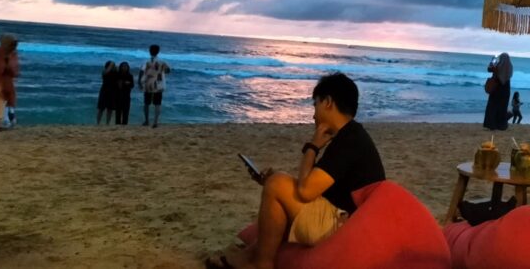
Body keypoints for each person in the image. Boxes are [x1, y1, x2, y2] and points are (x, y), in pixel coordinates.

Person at [206, 73, 385, 269]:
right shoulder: (350, 136)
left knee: (278, 182)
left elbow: (305, 191)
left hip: (344, 227)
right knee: (277, 182)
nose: (314, 114)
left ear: (328, 102)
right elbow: (313, 185)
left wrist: (312, 147)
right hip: (342, 218)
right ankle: (250, 256)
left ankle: (261, 264)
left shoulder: (350, 140)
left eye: (315, 104)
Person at [139, 44, 171, 128]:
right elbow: (168, 70)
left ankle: (146, 121)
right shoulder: (162, 61)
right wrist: (160, 72)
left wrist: (139, 82)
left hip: (148, 84)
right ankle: (155, 122)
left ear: (150, 51)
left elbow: (141, 72)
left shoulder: (146, 61)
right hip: (158, 85)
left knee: (146, 103)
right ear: (158, 51)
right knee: (157, 103)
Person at [483, 53, 513, 131]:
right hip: (505, 90)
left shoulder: (497, 66)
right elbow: (507, 78)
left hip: (496, 89)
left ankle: (492, 125)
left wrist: (492, 61)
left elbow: (489, 69)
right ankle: (501, 125)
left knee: (492, 108)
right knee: (502, 109)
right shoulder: (510, 67)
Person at [96, 61, 117, 125]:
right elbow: (105, 73)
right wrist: (110, 66)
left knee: (110, 109)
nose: (113, 66)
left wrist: (115, 67)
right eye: (111, 65)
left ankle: (107, 123)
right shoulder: (105, 72)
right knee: (101, 108)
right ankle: (98, 123)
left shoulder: (115, 72)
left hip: (112, 91)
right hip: (104, 90)